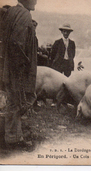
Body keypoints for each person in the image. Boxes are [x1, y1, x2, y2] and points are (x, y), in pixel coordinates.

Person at [1, 0, 38, 150]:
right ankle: (13, 140)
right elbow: (17, 43)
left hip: (8, 67)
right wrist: (21, 69)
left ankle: (14, 137)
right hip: (18, 70)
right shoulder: (24, 15)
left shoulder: (11, 12)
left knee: (13, 102)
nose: (36, 1)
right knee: (19, 102)